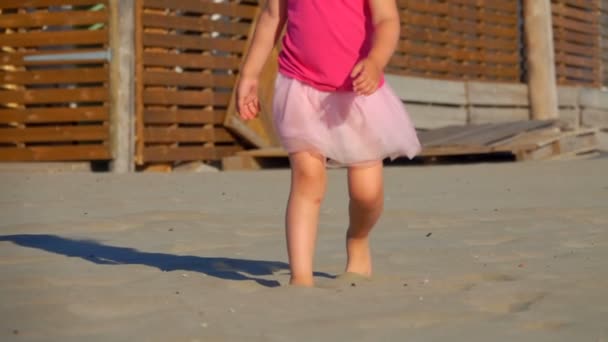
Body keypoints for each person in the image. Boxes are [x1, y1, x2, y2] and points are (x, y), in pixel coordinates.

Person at [236, 0, 421, 287]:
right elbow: (272, 16)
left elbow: (387, 19)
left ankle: (358, 238)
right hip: (300, 86)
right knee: (308, 179)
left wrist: (375, 61)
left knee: (367, 193)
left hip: (358, 93)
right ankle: (301, 277)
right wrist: (249, 74)